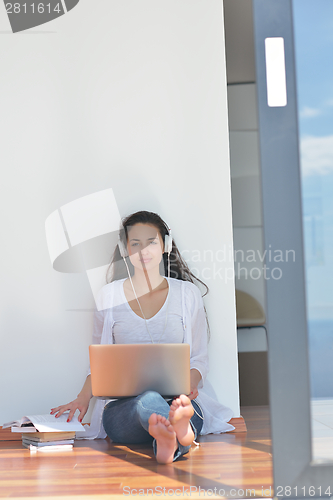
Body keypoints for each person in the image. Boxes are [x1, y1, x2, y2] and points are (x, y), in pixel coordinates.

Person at [50, 211, 234, 463]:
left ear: (165, 246)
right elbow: (100, 362)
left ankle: (168, 441)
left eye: (151, 242)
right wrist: (83, 398)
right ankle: (182, 433)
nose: (143, 251)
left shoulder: (186, 294)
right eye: (135, 243)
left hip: (179, 403)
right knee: (146, 401)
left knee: (175, 409)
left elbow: (199, 360)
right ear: (124, 249)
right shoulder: (108, 296)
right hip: (125, 410)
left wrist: (187, 388)